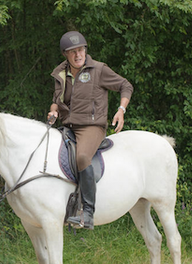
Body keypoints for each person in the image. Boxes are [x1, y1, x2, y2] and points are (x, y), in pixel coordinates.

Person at [48, 31, 133, 230]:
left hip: (91, 126)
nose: (78, 55)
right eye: (73, 52)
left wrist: (121, 110)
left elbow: (125, 85)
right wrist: (53, 111)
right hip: (68, 126)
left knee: (83, 157)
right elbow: (56, 101)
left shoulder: (99, 70)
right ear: (65, 54)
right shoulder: (60, 73)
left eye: (81, 50)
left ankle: (87, 212)